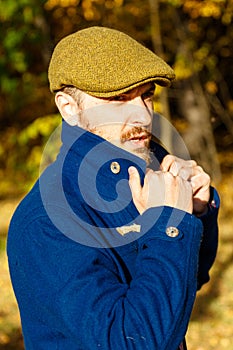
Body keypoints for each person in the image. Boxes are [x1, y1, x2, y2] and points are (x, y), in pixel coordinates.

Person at [7, 26, 219, 350]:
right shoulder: (47, 219)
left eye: (147, 94)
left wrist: (196, 214)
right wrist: (168, 226)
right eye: (118, 98)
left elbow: (182, 286)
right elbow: (130, 341)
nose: (144, 115)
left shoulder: (145, 170)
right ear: (68, 107)